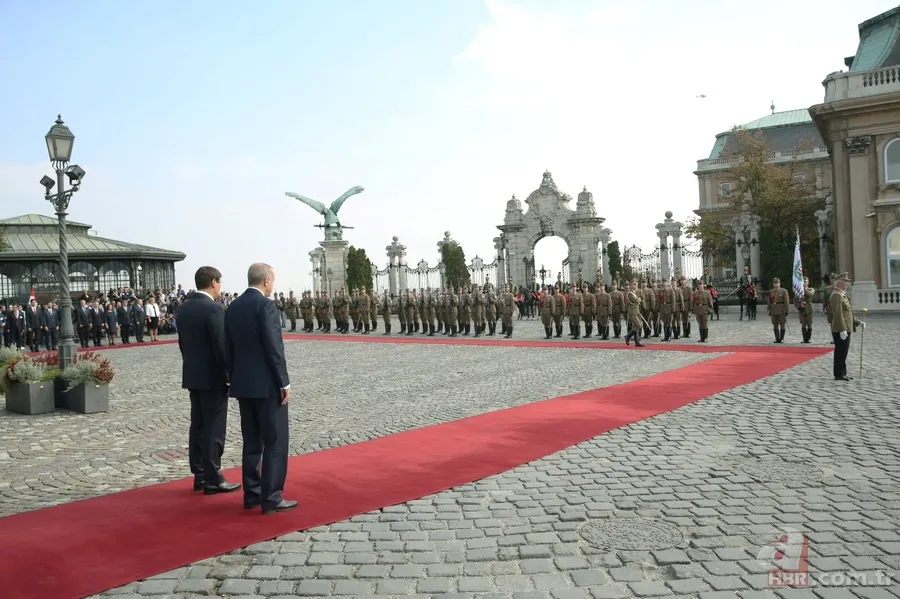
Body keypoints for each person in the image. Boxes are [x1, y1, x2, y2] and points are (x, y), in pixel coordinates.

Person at [224, 263, 296, 514]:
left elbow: (228, 348)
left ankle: (252, 494)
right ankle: (272, 496)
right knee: (275, 441)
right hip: (267, 385)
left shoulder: (232, 306)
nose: (273, 285)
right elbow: (274, 347)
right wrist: (283, 381)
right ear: (266, 280)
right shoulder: (265, 305)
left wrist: (233, 378)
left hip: (243, 385)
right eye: (273, 280)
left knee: (251, 442)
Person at [178, 266, 240, 495]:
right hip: (213, 378)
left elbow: (182, 344)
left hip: (194, 376)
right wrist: (229, 376)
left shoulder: (184, 308)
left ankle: (200, 475)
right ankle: (214, 477)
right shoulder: (213, 309)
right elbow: (221, 347)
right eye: (220, 283)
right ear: (213, 282)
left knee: (198, 426)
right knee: (214, 429)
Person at [829, 272, 864, 381]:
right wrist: (842, 329)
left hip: (845, 327)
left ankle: (843, 372)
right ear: (838, 283)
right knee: (840, 351)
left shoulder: (842, 295)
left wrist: (858, 322)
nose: (847, 284)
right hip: (840, 328)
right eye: (845, 281)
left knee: (844, 351)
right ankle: (839, 374)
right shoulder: (836, 295)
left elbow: (847, 313)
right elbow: (838, 314)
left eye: (847, 282)